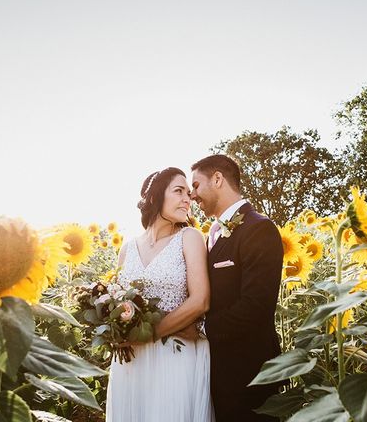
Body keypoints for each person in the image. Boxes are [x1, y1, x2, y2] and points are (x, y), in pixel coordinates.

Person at [105, 167, 215, 422]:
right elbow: (118, 303)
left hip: (174, 357)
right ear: (155, 197)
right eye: (179, 191)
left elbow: (201, 301)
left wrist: (149, 334)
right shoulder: (127, 248)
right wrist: (114, 331)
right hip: (131, 361)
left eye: (189, 193)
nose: (188, 199)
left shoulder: (190, 237)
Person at [190, 154, 284, 422]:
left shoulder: (259, 228)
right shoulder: (211, 234)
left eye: (196, 185)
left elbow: (256, 306)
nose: (193, 195)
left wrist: (201, 330)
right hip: (216, 372)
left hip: (250, 373)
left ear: (217, 179)